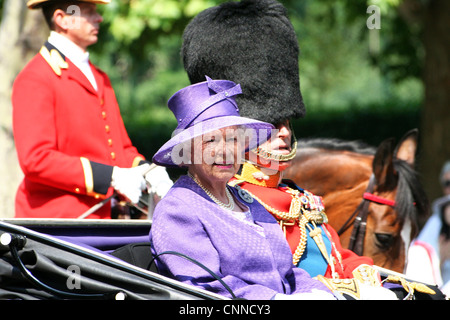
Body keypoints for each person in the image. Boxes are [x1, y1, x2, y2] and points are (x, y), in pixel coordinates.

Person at [180, 0, 402, 299]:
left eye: (286, 122)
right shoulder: (229, 200)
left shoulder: (299, 199)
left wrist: (374, 280)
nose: (284, 132)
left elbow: (336, 258)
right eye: (271, 124)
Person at [149, 76, 336, 300]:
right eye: (211, 141)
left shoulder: (247, 199)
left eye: (233, 139)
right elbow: (205, 287)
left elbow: (287, 274)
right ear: (185, 153)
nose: (226, 151)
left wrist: (321, 293)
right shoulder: (177, 210)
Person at [12, 0, 172, 219]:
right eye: (88, 12)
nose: (99, 18)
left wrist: (149, 170)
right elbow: (36, 159)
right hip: (58, 220)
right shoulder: (36, 77)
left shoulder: (99, 77)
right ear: (62, 19)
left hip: (105, 215)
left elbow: (121, 149)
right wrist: (110, 176)